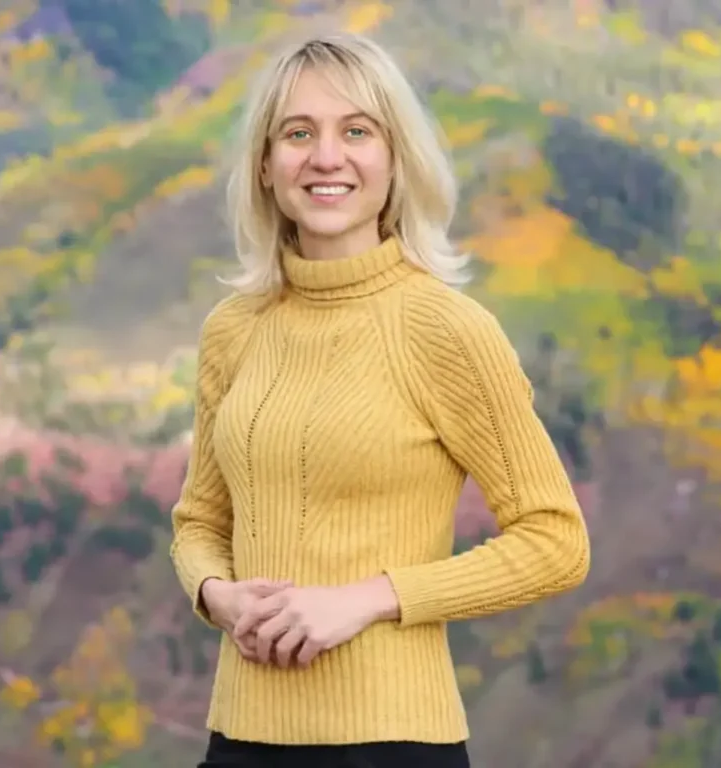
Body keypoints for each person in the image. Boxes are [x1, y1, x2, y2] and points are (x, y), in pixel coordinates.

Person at [170, 31, 591, 768]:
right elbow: (200, 521)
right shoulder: (233, 331)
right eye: (298, 133)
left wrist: (368, 598)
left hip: (394, 745)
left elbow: (556, 542)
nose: (326, 157)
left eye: (357, 131)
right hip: (238, 742)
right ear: (266, 167)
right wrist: (217, 594)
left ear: (395, 161)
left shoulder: (446, 329)